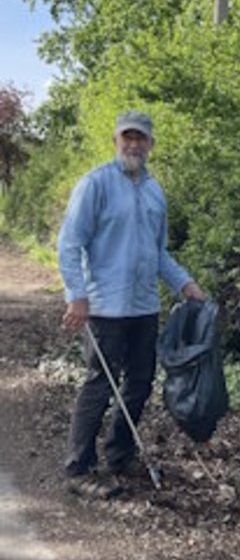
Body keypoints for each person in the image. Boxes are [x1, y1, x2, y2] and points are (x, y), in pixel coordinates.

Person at [57, 110, 205, 496]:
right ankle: (79, 468)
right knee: (99, 384)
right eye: (127, 137)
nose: (134, 144)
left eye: (141, 138)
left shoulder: (155, 191)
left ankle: (119, 455)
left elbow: (158, 253)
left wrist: (184, 282)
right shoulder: (95, 184)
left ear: (151, 143)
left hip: (143, 306)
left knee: (140, 384)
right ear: (116, 140)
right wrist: (77, 295)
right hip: (104, 305)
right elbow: (70, 244)